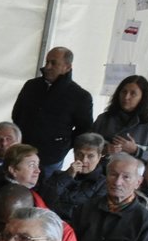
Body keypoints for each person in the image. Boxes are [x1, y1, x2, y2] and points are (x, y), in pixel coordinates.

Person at [12, 45, 94, 175]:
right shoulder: (31, 86)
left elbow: (84, 128)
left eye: (53, 63)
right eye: (47, 62)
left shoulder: (80, 96)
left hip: (51, 158)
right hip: (22, 152)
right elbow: (17, 114)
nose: (48, 67)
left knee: (46, 192)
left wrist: (62, 144)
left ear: (67, 67)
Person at [38, 131, 107, 220]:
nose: (84, 160)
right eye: (79, 154)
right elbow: (44, 200)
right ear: (74, 154)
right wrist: (67, 176)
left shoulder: (103, 184)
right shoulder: (59, 175)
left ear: (99, 156)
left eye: (90, 156)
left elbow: (91, 215)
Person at [95, 73, 148, 161]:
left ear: (143, 97)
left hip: (133, 173)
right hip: (101, 171)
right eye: (124, 92)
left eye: (133, 94)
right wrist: (104, 150)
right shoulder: (104, 118)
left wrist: (136, 150)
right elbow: (85, 146)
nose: (126, 97)